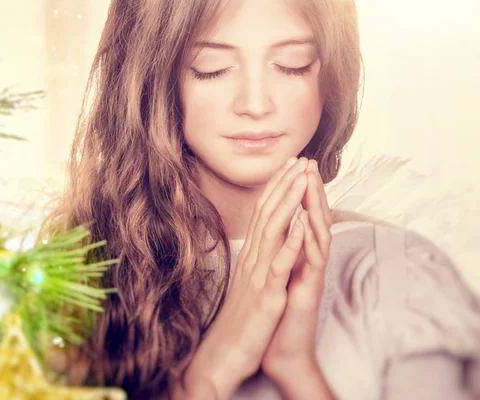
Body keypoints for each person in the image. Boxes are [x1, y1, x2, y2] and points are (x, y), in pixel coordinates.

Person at [42, 0, 480, 398]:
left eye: (292, 64)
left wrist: (298, 372)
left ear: (330, 71)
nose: (255, 104)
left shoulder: (396, 276)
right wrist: (212, 371)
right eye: (210, 66)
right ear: (150, 76)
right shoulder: (74, 279)